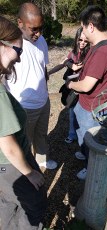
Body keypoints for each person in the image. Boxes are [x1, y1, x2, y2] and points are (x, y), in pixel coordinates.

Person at [0, 15, 47, 230]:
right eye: (18, 51)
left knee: (6, 203)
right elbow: (8, 145)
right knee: (34, 204)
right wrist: (29, 172)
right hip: (9, 165)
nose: (19, 58)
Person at [5, 2, 57, 170]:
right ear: (20, 23)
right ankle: (26, 172)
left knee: (41, 135)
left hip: (43, 101)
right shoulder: (9, 45)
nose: (38, 33)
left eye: (40, 28)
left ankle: (42, 161)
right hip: (24, 107)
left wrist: (46, 92)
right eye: (33, 29)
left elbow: (43, 68)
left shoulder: (41, 41)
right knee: (24, 143)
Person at [67, 5, 107, 179]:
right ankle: (84, 151)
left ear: (91, 26)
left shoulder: (103, 51)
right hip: (87, 104)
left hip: (93, 108)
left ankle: (91, 167)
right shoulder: (100, 44)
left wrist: (71, 85)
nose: (83, 34)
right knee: (83, 136)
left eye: (83, 28)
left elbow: (87, 85)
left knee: (91, 140)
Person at [48, 27, 89, 144]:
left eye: (85, 41)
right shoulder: (73, 52)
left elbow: (78, 68)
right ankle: (72, 134)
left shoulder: (89, 54)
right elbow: (62, 64)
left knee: (82, 115)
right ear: (76, 39)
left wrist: (70, 65)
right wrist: (50, 72)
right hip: (72, 88)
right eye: (80, 40)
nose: (82, 43)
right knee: (71, 111)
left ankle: (83, 138)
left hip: (82, 88)